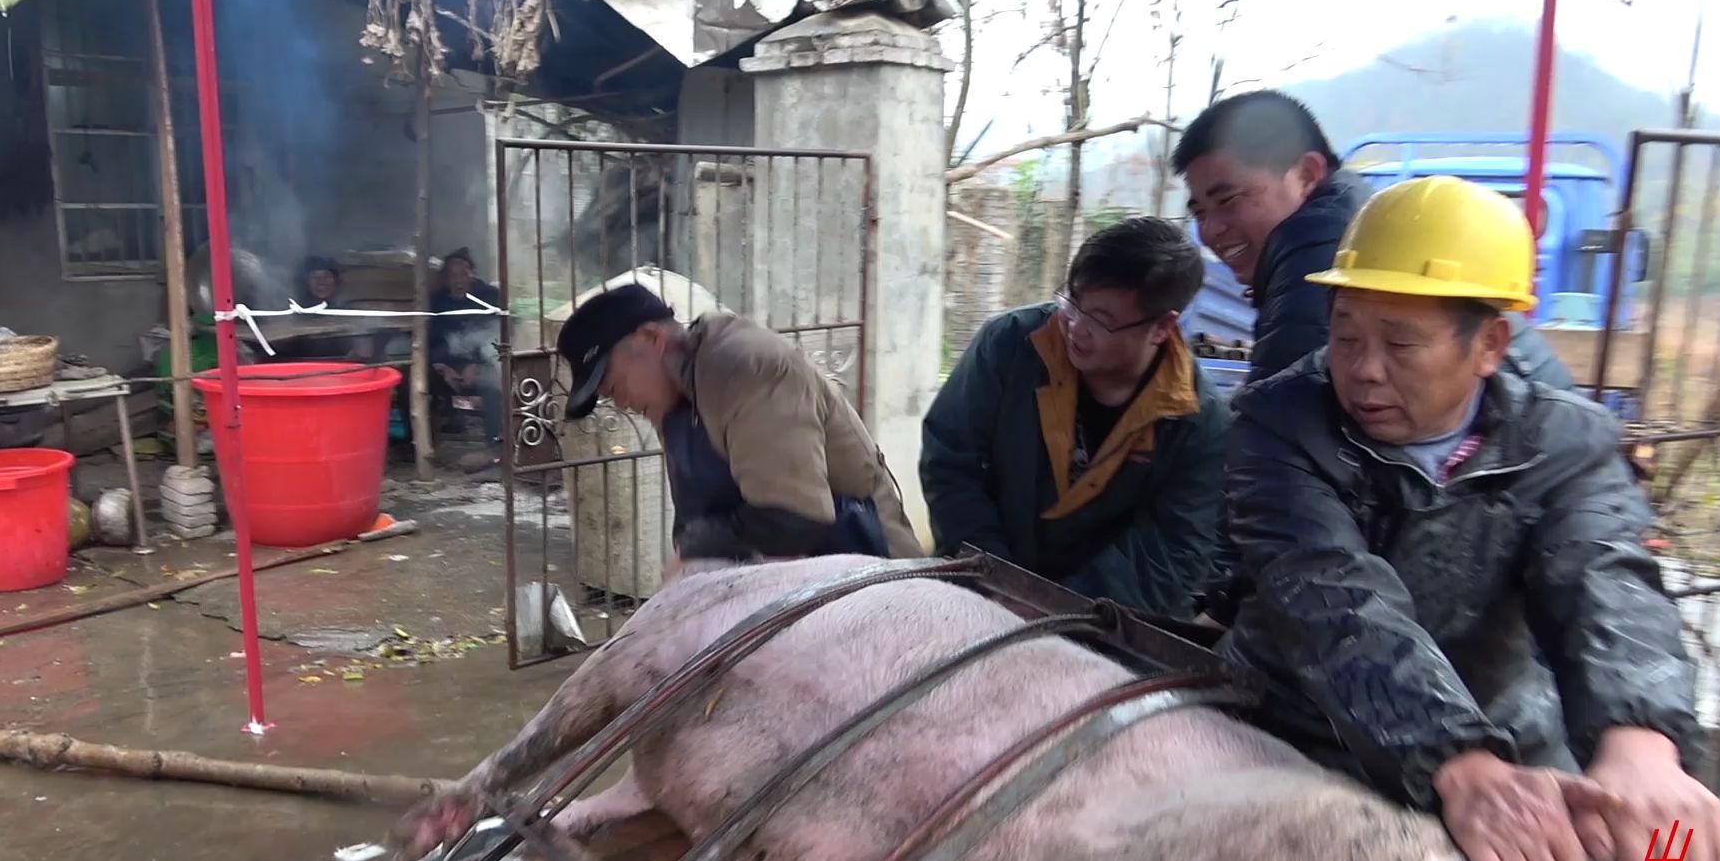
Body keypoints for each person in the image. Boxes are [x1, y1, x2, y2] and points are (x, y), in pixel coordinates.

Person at [1214, 174, 1720, 861]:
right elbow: (1334, 602)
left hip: (1515, 740)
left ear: (1490, 344)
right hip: (1306, 740)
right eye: (1345, 336)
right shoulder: (1278, 426)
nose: (1362, 369)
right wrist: (1463, 766)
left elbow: (1605, 575)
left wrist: (1640, 742)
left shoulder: (1567, 443)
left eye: (1399, 343)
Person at [919, 217, 1229, 618]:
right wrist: (997, 582)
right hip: (983, 592)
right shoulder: (1011, 345)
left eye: (1100, 319)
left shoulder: (1197, 420)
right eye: (1073, 300)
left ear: (1161, 327)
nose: (1074, 327)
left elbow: (1174, 549)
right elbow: (949, 460)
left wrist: (1060, 610)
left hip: (1106, 624)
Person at [1172, 89, 1574, 390]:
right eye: (1201, 212)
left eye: (1227, 200)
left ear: (1307, 175)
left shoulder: (1322, 255)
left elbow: (1272, 427)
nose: (1212, 229)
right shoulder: (1341, 221)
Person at [555, 284, 922, 566]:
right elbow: (697, 519)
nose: (621, 402)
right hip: (789, 579)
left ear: (652, 339)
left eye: (614, 384)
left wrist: (694, 549)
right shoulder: (674, 394)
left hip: (870, 565)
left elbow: (793, 521)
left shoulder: (747, 367)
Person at [428, 247, 505, 447]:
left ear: (473, 275)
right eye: (452, 275)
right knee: (414, 384)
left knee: (493, 388)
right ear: (445, 279)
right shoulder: (438, 300)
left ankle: (495, 446)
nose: (458, 280)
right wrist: (442, 367)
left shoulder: (489, 297)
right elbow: (433, 337)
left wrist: (476, 365)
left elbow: (498, 335)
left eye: (464, 273)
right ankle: (423, 444)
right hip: (449, 364)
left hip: (485, 361)